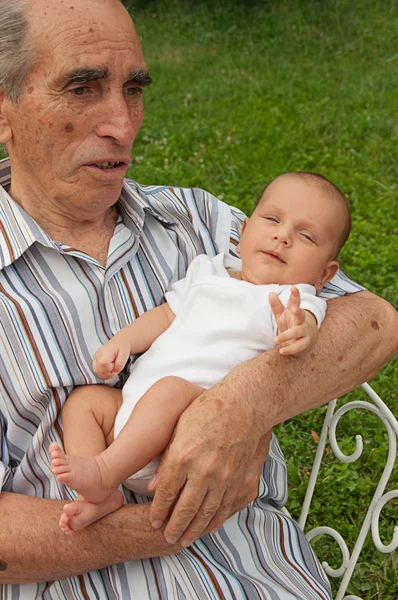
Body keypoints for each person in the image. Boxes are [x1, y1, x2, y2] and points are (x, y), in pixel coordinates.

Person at [0, 0, 396, 598]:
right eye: (82, 88)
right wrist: (161, 526)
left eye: (133, 89)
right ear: (3, 113)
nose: (123, 124)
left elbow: (373, 323)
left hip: (262, 577)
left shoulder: (204, 224)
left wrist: (243, 403)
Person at [49, 171, 349, 534]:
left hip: (186, 440)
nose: (282, 236)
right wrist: (124, 342)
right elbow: (167, 314)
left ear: (324, 274)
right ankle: (99, 498)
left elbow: (310, 328)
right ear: (242, 234)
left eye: (306, 236)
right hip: (131, 415)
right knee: (85, 401)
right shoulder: (208, 271)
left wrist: (299, 330)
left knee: (170, 389)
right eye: (272, 219)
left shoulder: (294, 299)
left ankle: (104, 472)